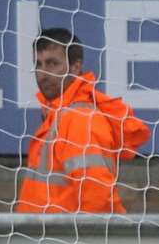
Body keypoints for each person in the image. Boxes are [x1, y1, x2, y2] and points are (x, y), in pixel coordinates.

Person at [15, 28, 151, 214]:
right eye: (38, 64)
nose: (43, 73)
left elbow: (98, 197)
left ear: (76, 67)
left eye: (52, 64)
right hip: (50, 237)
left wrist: (84, 239)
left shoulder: (80, 119)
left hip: (62, 239)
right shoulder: (61, 115)